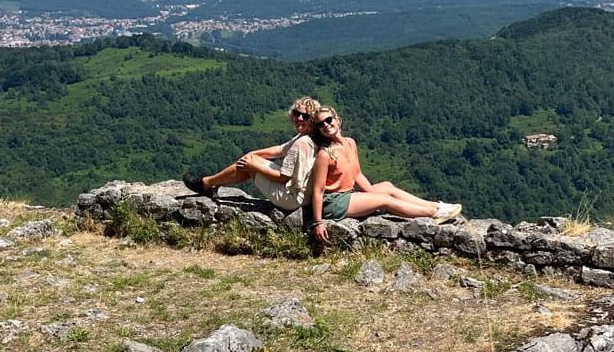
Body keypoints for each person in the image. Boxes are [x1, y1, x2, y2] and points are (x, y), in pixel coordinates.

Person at [308, 105, 462, 243]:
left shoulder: (350, 143)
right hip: (335, 202)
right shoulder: (324, 154)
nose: (326, 125)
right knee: (385, 200)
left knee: (387, 186)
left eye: (328, 120)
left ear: (338, 120)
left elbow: (358, 175)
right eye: (321, 124)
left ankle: (436, 205)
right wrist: (318, 222)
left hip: (348, 194)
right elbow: (318, 191)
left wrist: (371, 194)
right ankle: (433, 214)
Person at [183, 97, 321, 211]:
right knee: (250, 160)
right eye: (297, 113)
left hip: (291, 198)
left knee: (248, 165)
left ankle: (206, 184)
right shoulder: (309, 137)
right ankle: (209, 183)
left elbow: (284, 178)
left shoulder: (301, 143)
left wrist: (253, 165)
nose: (300, 118)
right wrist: (252, 155)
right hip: (303, 195)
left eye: (306, 116)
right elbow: (281, 149)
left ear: (313, 119)